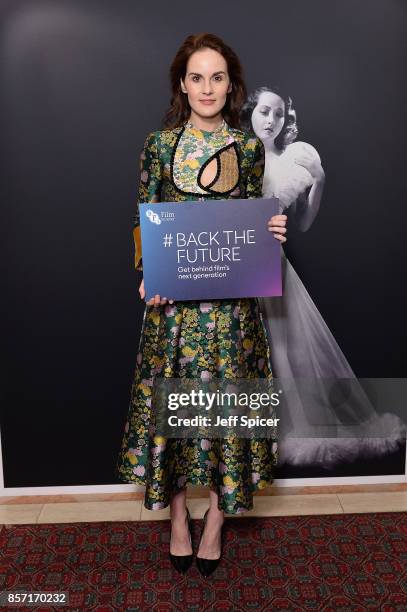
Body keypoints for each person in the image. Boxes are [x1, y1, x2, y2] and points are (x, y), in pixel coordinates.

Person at [115, 35, 287, 577]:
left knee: (226, 415)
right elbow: (145, 221)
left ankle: (215, 518)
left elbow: (250, 227)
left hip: (234, 313)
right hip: (175, 313)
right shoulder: (159, 147)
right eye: (197, 77)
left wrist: (273, 232)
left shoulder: (250, 148)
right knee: (176, 415)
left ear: (230, 85)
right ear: (182, 84)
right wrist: (149, 276)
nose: (207, 88)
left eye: (217, 78)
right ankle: (176, 519)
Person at [240, 86, 405, 468]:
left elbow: (303, 223)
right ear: (250, 111)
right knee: (243, 347)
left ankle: (283, 434)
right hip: (231, 258)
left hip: (271, 261)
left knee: (285, 348)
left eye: (279, 114)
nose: (271, 120)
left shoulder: (292, 160)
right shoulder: (233, 152)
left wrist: (321, 180)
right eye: (264, 111)